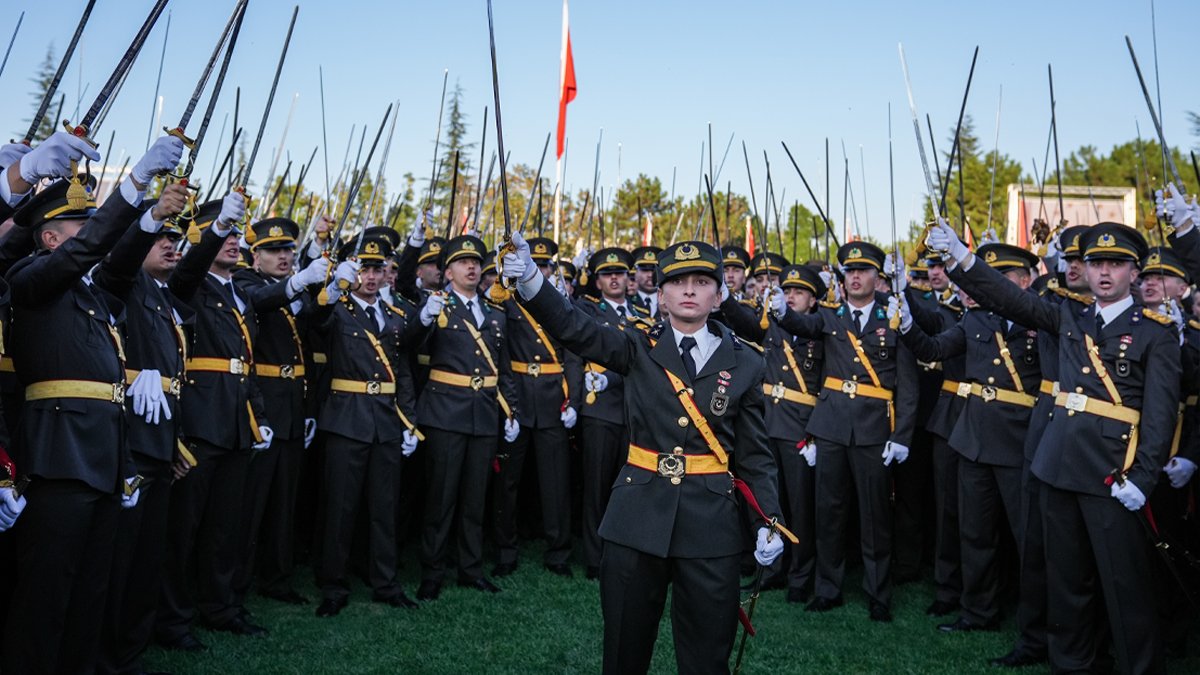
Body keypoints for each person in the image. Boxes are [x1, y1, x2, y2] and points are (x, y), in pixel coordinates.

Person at [502, 234, 788, 674]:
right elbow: (575, 328)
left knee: (708, 657)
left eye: (701, 281)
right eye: (677, 282)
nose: (689, 290)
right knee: (623, 651)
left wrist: (769, 518)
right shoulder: (636, 345)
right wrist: (532, 283)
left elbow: (754, 454)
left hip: (711, 524)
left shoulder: (746, 362)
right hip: (637, 518)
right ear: (661, 295)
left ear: (718, 296)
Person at [929, 219, 1179, 674]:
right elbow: (1010, 299)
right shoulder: (1069, 314)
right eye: (1096, 262)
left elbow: (1159, 416)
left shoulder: (1155, 332)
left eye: (1116, 265)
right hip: (1058, 464)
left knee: (1125, 586)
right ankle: (1071, 664)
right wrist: (961, 258)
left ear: (1134, 273)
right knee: (1066, 582)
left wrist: (1143, 477)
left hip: (1113, 473)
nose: (1104, 272)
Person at [4, 132, 183, 673]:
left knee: (90, 592)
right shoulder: (30, 277)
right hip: (59, 458)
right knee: (46, 596)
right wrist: (130, 187)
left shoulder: (90, 293)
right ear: (52, 239)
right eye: (82, 230)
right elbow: (96, 247)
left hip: (103, 460)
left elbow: (119, 261)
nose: (94, 239)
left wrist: (146, 209)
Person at [893, 243, 1043, 633]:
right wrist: (908, 324)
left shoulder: (1041, 321)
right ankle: (978, 611)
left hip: (1020, 440)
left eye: (1002, 279)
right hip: (974, 438)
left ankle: (1037, 623)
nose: (990, 286)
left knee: (1028, 538)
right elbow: (936, 348)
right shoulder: (976, 320)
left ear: (1025, 282)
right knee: (973, 531)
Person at [767, 241, 919, 622]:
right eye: (849, 271)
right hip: (831, 427)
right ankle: (827, 588)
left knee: (874, 517)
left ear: (876, 278)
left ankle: (878, 594)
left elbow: (908, 385)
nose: (855, 277)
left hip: (872, 429)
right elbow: (802, 324)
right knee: (828, 513)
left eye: (863, 270)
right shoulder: (831, 317)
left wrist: (901, 436)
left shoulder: (894, 317)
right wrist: (783, 311)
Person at [157, 191, 273, 649]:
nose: (232, 243)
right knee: (185, 529)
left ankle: (220, 606)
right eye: (218, 234)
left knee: (226, 527)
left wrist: (258, 415)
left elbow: (246, 362)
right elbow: (186, 271)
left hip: (236, 420)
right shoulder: (187, 283)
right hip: (201, 422)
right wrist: (215, 229)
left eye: (233, 234)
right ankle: (173, 619)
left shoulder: (239, 292)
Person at [95, 182, 195, 675]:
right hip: (128, 442)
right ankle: (109, 654)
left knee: (146, 558)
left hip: (157, 442)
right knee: (119, 559)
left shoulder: (161, 295)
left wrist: (173, 442)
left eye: (176, 239)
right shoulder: (122, 283)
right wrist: (147, 216)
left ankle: (131, 650)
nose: (171, 245)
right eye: (161, 239)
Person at [313, 235, 424, 617]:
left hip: (386, 421)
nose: (372, 276)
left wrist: (409, 420)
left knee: (384, 508)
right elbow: (312, 319)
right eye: (364, 269)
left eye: (378, 269)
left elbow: (403, 373)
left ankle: (386, 583)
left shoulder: (395, 318)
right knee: (340, 509)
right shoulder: (337, 309)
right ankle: (333, 585)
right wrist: (330, 288)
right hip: (347, 418)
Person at [415, 234, 519, 600]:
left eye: (476, 262)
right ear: (447, 272)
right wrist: (424, 318)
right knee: (441, 498)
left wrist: (511, 410)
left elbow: (503, 367)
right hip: (445, 411)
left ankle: (470, 569)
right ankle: (432, 571)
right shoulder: (436, 307)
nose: (472, 267)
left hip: (484, 413)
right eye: (462, 262)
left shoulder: (494, 313)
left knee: (476, 498)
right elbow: (411, 345)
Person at [233, 217, 328, 607]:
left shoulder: (293, 291)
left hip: (291, 403)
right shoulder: (246, 283)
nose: (284, 256)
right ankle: (237, 582)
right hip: (262, 404)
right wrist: (300, 282)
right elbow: (263, 301)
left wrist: (330, 290)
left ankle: (277, 576)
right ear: (255, 257)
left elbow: (312, 326)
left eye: (288, 249)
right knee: (251, 502)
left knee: (284, 501)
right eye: (274, 251)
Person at [720, 263, 827, 603]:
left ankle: (800, 576)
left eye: (799, 292)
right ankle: (772, 570)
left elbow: (829, 384)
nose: (791, 296)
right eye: (788, 290)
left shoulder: (822, 329)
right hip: (769, 423)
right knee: (768, 506)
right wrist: (725, 299)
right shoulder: (772, 323)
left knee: (800, 508)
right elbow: (746, 326)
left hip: (801, 427)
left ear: (813, 300)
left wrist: (816, 432)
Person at [492, 237, 578, 578]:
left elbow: (573, 352)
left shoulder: (557, 303)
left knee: (556, 483)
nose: (539, 271)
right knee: (508, 481)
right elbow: (498, 353)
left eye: (544, 266)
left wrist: (573, 400)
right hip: (517, 399)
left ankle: (558, 553)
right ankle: (505, 550)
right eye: (535, 264)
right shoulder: (506, 301)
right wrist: (508, 404)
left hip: (553, 400)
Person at [566, 247, 652, 580]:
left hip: (633, 408)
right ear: (597, 281)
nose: (614, 278)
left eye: (620, 273)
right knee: (597, 487)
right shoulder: (588, 309)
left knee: (629, 488)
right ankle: (594, 556)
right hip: (599, 407)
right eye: (607, 274)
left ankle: (624, 552)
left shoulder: (642, 310)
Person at [629, 245, 662, 318]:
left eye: (654, 270)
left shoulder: (669, 302)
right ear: (635, 272)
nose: (650, 275)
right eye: (645, 270)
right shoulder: (625, 301)